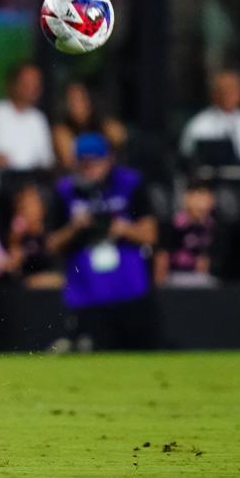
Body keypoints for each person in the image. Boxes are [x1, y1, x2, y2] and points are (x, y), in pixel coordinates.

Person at [47, 133, 160, 351]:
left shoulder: (129, 183)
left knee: (143, 351)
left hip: (130, 288)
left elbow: (151, 234)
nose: (90, 168)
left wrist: (122, 228)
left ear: (109, 159)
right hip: (87, 291)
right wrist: (75, 227)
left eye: (95, 162)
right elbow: (51, 244)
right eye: (84, 163)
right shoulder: (65, 190)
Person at [0, 62, 54, 177]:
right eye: (28, 82)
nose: (34, 87)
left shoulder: (38, 118)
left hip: (33, 184)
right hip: (1, 187)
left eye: (36, 82)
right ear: (13, 84)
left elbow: (46, 162)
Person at [179, 69, 240, 164]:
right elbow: (186, 155)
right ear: (213, 93)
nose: (227, 94)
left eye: (232, 89)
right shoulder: (199, 124)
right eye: (222, 90)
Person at [154, 179, 219, 288]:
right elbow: (161, 259)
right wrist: (160, 288)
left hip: (205, 281)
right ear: (186, 198)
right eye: (198, 195)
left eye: (207, 196)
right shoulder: (172, 225)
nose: (202, 202)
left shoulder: (216, 228)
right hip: (175, 279)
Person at [52, 81, 127, 171]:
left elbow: (121, 138)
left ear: (89, 101)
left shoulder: (104, 124)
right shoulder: (61, 131)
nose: (74, 105)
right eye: (71, 100)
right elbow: (68, 161)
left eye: (79, 100)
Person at [7, 184, 63, 289]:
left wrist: (36, 281)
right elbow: (12, 273)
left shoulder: (54, 236)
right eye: (20, 205)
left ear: (42, 207)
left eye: (29, 204)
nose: (24, 209)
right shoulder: (18, 238)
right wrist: (13, 242)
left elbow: (63, 277)